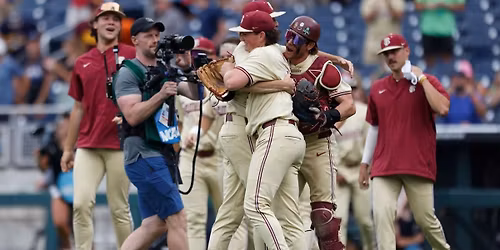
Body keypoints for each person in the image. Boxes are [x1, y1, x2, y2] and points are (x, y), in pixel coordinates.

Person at [222, 10, 307, 250]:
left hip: (275, 133)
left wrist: (226, 67)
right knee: (290, 219)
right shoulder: (277, 53)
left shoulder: (260, 54)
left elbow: (231, 83)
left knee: (256, 205)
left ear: (261, 35)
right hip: (291, 136)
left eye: (246, 34)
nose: (242, 39)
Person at [114, 17, 201, 250]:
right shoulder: (128, 73)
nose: (155, 40)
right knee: (177, 218)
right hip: (143, 153)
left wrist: (186, 68)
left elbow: (194, 94)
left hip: (162, 154)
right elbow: (131, 115)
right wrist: (161, 95)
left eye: (156, 35)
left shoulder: (165, 70)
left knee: (156, 224)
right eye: (148, 35)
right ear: (134, 40)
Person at [358, 33, 450, 250]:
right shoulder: (378, 88)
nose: (390, 57)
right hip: (384, 165)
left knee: (425, 220)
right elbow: (375, 127)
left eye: (395, 51)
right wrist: (364, 163)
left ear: (407, 51)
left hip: (417, 164)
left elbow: (443, 108)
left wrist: (423, 79)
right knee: (381, 216)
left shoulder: (426, 81)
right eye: (386, 54)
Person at [60, 3, 135, 249]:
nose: (111, 22)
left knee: (119, 208)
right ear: (95, 24)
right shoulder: (82, 61)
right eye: (105, 18)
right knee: (80, 204)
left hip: (120, 143)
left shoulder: (132, 55)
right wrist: (68, 149)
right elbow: (77, 108)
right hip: (88, 144)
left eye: (116, 18)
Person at [283, 15, 356, 250]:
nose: (290, 41)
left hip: (317, 143)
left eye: (297, 38)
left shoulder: (323, 69)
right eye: (288, 34)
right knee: (279, 212)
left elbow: (348, 105)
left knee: (323, 217)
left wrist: (327, 117)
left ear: (310, 44)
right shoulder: (276, 59)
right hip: (285, 142)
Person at [176, 36, 225, 250]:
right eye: (191, 54)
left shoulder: (225, 85)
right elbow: (177, 123)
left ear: (212, 57)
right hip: (190, 158)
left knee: (228, 219)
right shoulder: (182, 86)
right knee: (193, 221)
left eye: (200, 54)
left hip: (221, 157)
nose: (195, 59)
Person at [333, 73, 375, 250]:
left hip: (360, 168)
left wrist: (367, 167)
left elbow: (372, 144)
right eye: (345, 89)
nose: (349, 92)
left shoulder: (365, 111)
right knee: (338, 220)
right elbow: (326, 145)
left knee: (365, 220)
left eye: (353, 88)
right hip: (339, 170)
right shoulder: (332, 113)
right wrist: (335, 170)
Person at [35, 113, 73, 250]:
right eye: (62, 124)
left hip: (79, 188)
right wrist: (40, 159)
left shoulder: (81, 143)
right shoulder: (51, 144)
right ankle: (67, 244)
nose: (64, 126)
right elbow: (44, 168)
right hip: (59, 188)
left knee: (83, 227)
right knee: (60, 222)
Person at [415, 0, 465, 67]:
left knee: (447, 62)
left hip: (446, 30)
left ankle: (446, 76)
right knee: (429, 62)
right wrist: (429, 6)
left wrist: (446, 6)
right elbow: (417, 6)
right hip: (428, 30)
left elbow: (461, 6)